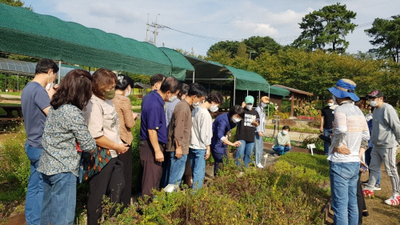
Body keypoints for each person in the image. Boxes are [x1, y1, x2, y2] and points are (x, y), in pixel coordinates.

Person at [37, 69, 96, 225]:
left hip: (47, 165)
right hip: (64, 169)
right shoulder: (72, 112)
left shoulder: (56, 106)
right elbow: (88, 144)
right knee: (63, 217)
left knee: (48, 212)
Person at [83, 68, 129, 225]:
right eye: (110, 88)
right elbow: (96, 136)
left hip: (114, 153)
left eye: (114, 87)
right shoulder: (93, 104)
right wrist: (116, 146)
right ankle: (93, 221)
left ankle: (109, 219)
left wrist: (119, 144)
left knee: (118, 186)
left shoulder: (107, 101)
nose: (113, 91)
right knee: (97, 193)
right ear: (98, 86)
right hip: (101, 156)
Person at [21, 58, 59, 225]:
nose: (54, 80)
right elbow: (53, 115)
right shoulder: (39, 91)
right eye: (55, 76)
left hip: (31, 143)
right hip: (40, 145)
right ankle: (36, 221)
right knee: (42, 188)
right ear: (50, 72)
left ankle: (31, 219)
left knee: (34, 186)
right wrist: (51, 97)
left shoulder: (28, 88)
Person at [328, 78, 369, 225]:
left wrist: (337, 145)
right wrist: (358, 155)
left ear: (339, 95)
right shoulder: (358, 111)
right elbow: (366, 136)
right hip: (353, 163)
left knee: (340, 206)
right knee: (352, 204)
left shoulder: (340, 110)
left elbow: (341, 129)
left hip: (340, 162)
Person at [139, 77, 181, 197]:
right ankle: (146, 207)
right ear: (168, 92)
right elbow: (152, 130)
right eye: (175, 95)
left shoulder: (152, 97)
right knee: (150, 179)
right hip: (151, 145)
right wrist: (157, 151)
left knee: (153, 176)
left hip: (151, 144)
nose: (175, 98)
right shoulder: (155, 105)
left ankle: (150, 203)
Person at [363, 90, 400, 206]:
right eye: (370, 99)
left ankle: (397, 194)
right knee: (373, 167)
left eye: (373, 98)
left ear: (381, 98)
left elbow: (396, 126)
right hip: (376, 145)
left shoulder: (387, 109)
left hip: (387, 145)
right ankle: (370, 188)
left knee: (391, 170)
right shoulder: (376, 110)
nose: (371, 101)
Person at [166, 83, 207, 186]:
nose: (200, 102)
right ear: (194, 97)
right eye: (200, 100)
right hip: (179, 148)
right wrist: (178, 147)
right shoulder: (183, 107)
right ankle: (170, 198)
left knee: (175, 176)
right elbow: (178, 129)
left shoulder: (186, 106)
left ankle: (169, 197)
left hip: (182, 147)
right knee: (175, 178)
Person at [112, 74, 139, 208]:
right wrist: (134, 117)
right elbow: (129, 123)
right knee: (125, 173)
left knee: (113, 172)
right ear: (128, 87)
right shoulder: (124, 100)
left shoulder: (108, 97)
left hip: (110, 139)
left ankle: (111, 202)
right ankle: (124, 203)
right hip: (123, 139)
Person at [189, 91, 224, 190]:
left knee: (192, 169)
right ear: (213, 102)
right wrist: (208, 147)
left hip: (191, 143)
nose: (217, 107)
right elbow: (206, 134)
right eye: (217, 104)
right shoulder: (206, 114)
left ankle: (190, 188)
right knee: (199, 172)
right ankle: (196, 193)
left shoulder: (195, 109)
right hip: (200, 146)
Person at [210, 105, 244, 176]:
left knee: (225, 160)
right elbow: (220, 135)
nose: (238, 119)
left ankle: (221, 177)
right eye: (237, 117)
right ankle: (218, 179)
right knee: (220, 161)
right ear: (232, 114)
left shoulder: (233, 121)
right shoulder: (223, 120)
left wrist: (227, 135)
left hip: (223, 143)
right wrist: (232, 144)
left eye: (240, 118)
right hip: (216, 142)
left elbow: (228, 129)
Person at [235, 96, 260, 167]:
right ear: (245, 103)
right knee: (240, 153)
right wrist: (241, 107)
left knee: (249, 154)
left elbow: (258, 123)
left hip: (251, 136)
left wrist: (256, 123)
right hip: (241, 136)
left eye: (250, 103)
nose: (249, 105)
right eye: (248, 103)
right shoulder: (242, 111)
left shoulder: (255, 112)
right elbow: (236, 116)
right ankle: (237, 169)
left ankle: (246, 169)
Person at [362, 105, 381, 190]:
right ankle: (371, 180)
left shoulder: (381, 122)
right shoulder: (370, 121)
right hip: (369, 145)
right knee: (369, 163)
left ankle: (377, 183)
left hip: (375, 146)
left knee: (375, 165)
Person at [254, 96, 269, 168]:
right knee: (258, 147)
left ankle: (257, 161)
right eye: (265, 103)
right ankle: (257, 162)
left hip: (260, 131)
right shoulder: (258, 109)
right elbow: (257, 121)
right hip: (257, 132)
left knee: (260, 147)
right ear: (261, 102)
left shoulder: (262, 109)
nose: (266, 104)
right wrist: (259, 130)